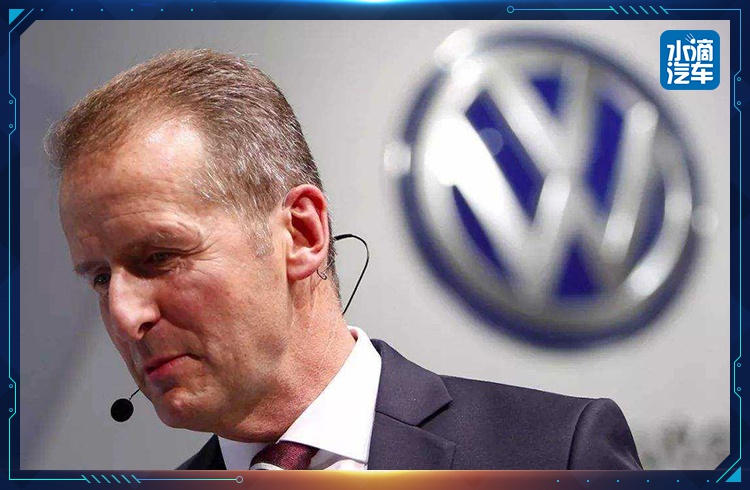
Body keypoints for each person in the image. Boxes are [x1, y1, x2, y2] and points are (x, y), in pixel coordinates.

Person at [47, 49, 641, 471]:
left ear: (302, 234)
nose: (123, 316)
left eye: (159, 256)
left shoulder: (554, 455)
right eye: (99, 278)